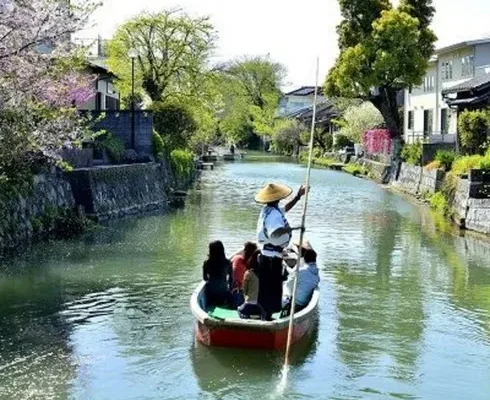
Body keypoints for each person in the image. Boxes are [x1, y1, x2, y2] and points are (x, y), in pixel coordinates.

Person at [255, 183, 307, 320]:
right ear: (277, 199)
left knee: (266, 287)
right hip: (272, 258)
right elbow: (275, 233)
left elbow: (285, 209)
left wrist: (298, 197)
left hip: (266, 255)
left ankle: (265, 314)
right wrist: (294, 229)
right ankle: (267, 316)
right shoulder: (273, 215)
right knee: (272, 287)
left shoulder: (268, 210)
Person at [282, 249, 319, 316]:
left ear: (304, 259)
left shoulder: (301, 271)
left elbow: (288, 285)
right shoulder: (316, 274)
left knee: (284, 286)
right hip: (305, 303)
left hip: (295, 304)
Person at [202, 241, 233, 308]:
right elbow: (231, 279)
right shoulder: (227, 262)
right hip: (223, 292)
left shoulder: (207, 263)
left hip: (211, 293)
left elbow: (205, 278)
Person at [238, 250, 266, 319]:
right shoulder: (266, 273)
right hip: (262, 307)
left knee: (239, 308)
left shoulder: (248, 273)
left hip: (249, 305)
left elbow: (244, 290)